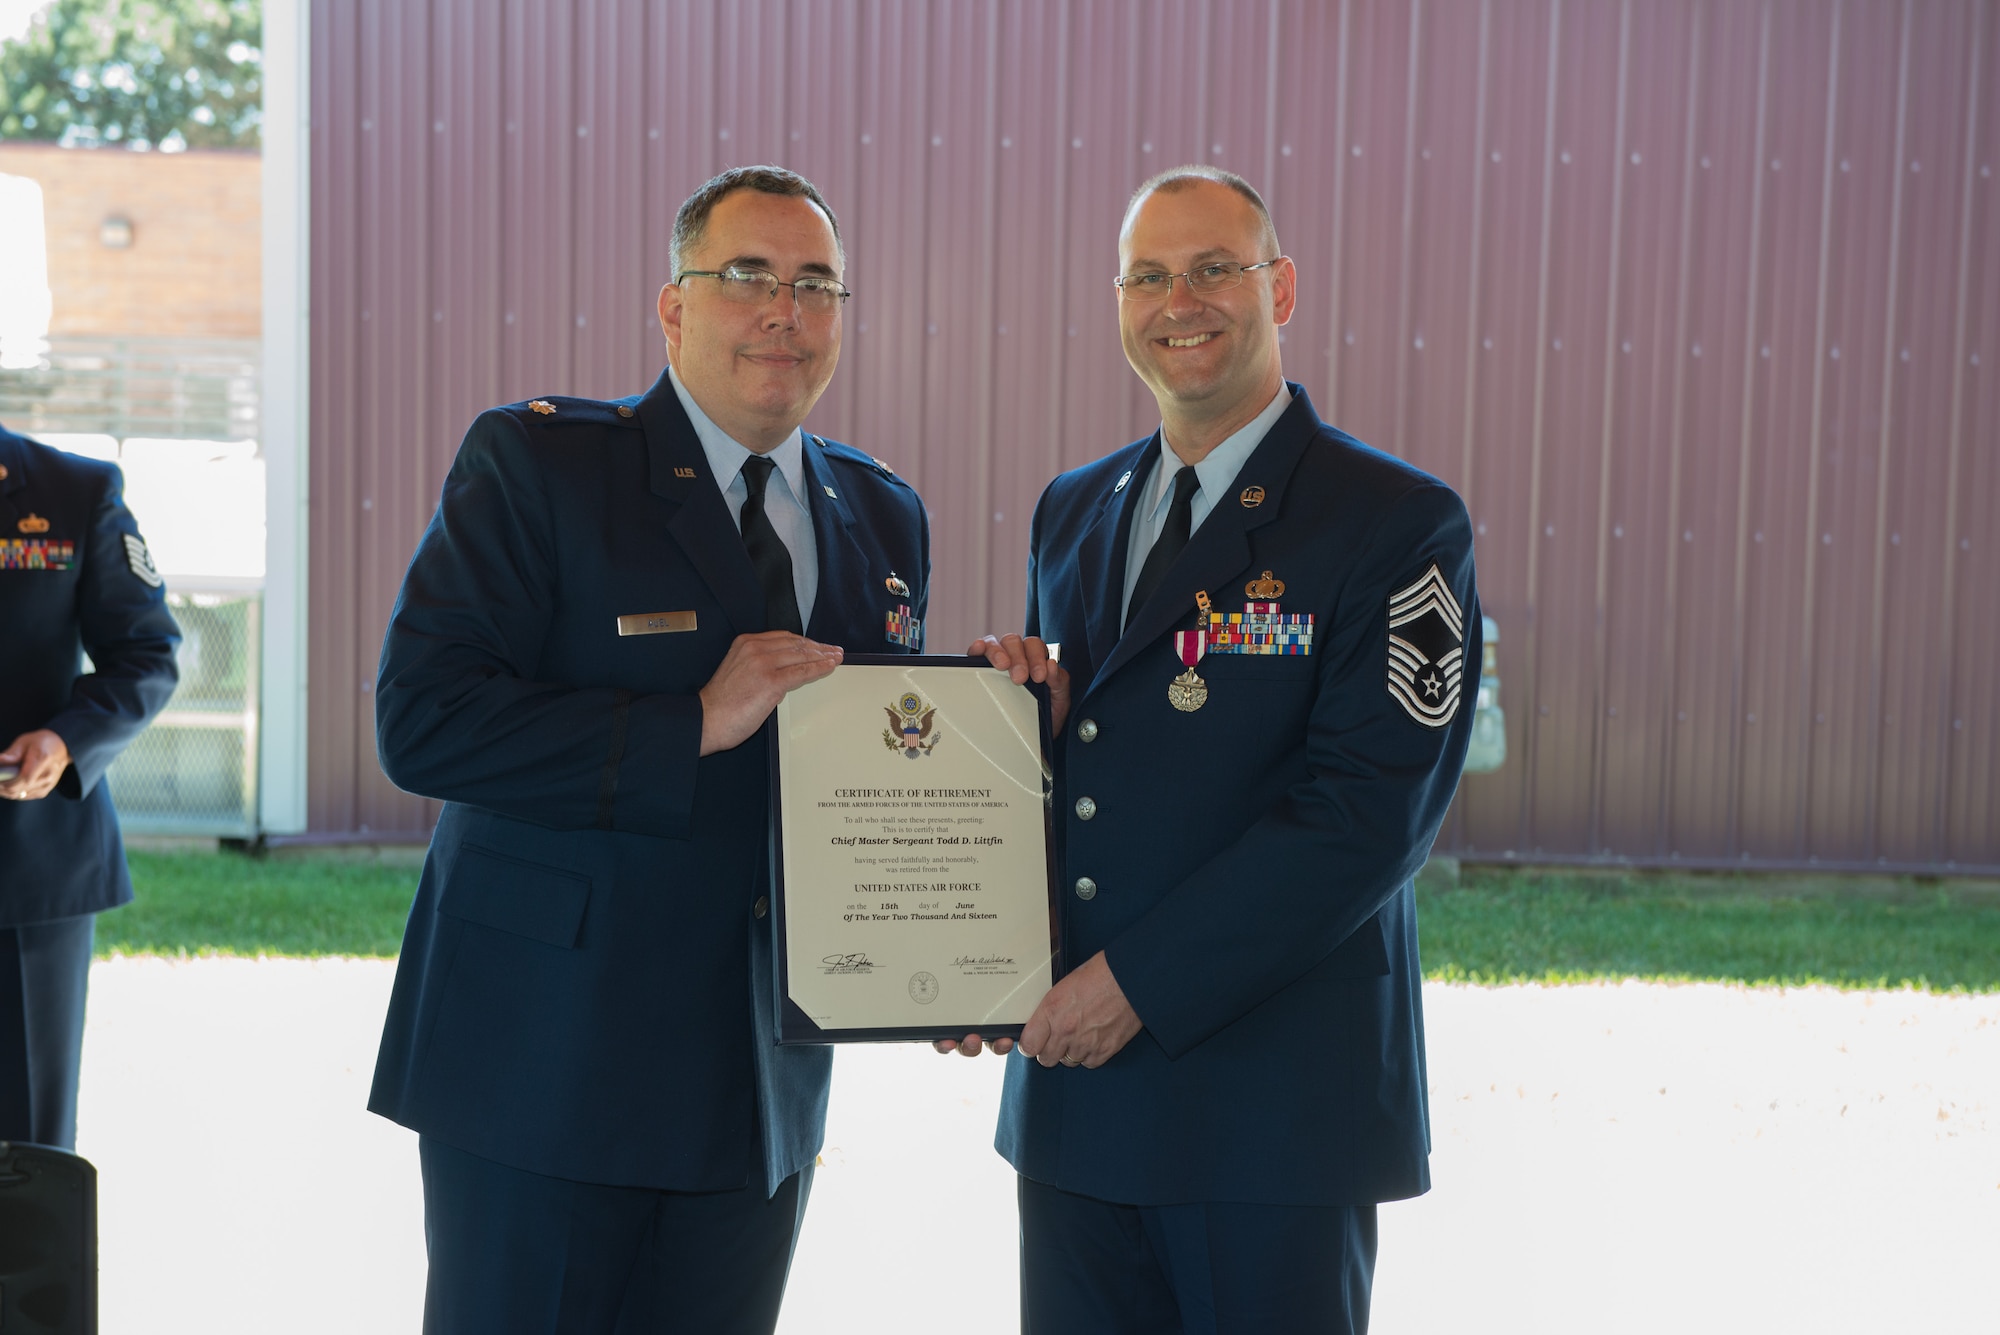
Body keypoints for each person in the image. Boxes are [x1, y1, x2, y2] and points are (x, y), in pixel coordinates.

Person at [369, 166, 931, 1335]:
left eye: (815, 283)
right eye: (746, 277)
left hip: (755, 1083)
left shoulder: (881, 514)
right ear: (673, 308)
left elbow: (869, 777)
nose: (784, 309)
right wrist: (690, 723)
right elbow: (423, 719)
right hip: (546, 1061)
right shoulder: (541, 467)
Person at [948, 166, 1481, 1333]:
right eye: (1147, 275)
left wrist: (1132, 987)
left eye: (1210, 270)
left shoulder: (1392, 522)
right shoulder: (1073, 506)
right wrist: (973, 936)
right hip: (1079, 1107)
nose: (1176, 301)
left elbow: (1364, 818)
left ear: (1278, 288)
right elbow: (1091, 758)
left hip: (1270, 1112)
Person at [0, 422, 180, 1151]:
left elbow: (145, 653)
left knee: (27, 1150)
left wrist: (67, 740)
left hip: (25, 871)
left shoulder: (75, 490)